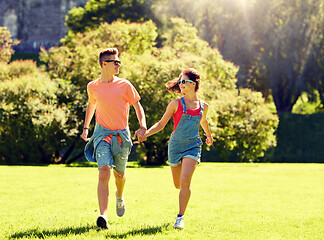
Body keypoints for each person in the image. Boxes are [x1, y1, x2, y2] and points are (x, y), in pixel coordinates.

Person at [139, 68, 213, 230]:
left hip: (193, 146)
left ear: (193, 84)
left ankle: (180, 217)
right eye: (179, 82)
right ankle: (182, 195)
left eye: (184, 81)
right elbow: (161, 124)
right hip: (175, 146)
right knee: (178, 184)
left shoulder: (203, 106)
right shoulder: (175, 104)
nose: (181, 84)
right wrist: (147, 133)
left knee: (185, 181)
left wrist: (209, 135)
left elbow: (203, 122)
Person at [81, 48, 147, 229]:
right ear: (104, 64)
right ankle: (103, 216)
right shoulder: (92, 86)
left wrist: (142, 126)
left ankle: (119, 195)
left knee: (120, 175)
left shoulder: (125, 85)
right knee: (103, 172)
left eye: (119, 62)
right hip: (102, 134)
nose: (118, 64)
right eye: (115, 62)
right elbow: (91, 105)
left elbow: (137, 106)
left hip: (122, 136)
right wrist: (86, 128)